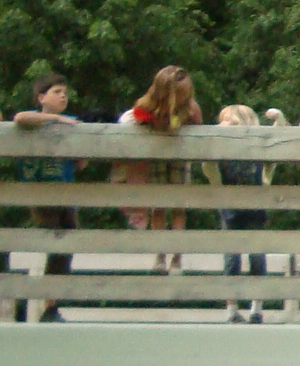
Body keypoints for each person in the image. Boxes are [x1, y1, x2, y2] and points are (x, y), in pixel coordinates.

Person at [116, 65, 203, 276]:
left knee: (179, 208)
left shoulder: (190, 108)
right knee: (158, 207)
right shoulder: (149, 105)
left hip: (180, 158)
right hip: (156, 157)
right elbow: (135, 118)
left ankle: (177, 257)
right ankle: (159, 256)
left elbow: (199, 128)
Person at [10, 72, 78, 322]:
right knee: (53, 240)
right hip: (39, 192)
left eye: (65, 93)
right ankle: (46, 302)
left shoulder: (72, 123)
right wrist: (56, 118)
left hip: (65, 191)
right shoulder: (36, 119)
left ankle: (52, 305)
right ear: (41, 98)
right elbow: (20, 118)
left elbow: (80, 161)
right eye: (57, 92)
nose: (63, 96)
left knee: (67, 246)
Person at [203, 104, 271, 323]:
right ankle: (232, 309)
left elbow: (277, 137)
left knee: (257, 257)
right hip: (230, 207)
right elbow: (208, 164)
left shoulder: (259, 146)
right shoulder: (221, 149)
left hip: (255, 206)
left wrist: (277, 116)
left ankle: (256, 308)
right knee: (232, 258)